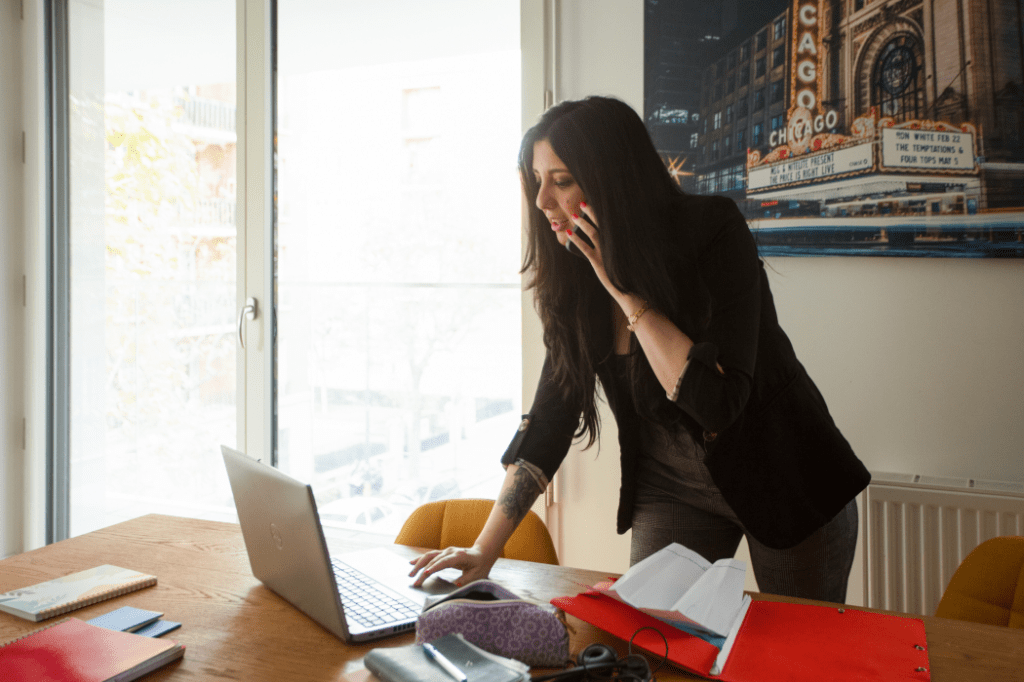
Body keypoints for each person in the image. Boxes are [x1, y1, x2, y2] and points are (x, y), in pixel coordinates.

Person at [409, 96, 870, 602]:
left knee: (796, 645)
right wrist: (484, 551)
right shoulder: (575, 275)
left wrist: (625, 292)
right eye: (537, 180)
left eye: (562, 181)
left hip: (783, 476)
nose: (542, 200)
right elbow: (550, 419)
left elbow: (717, 403)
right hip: (671, 488)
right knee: (648, 635)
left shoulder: (713, 231)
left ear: (612, 181)